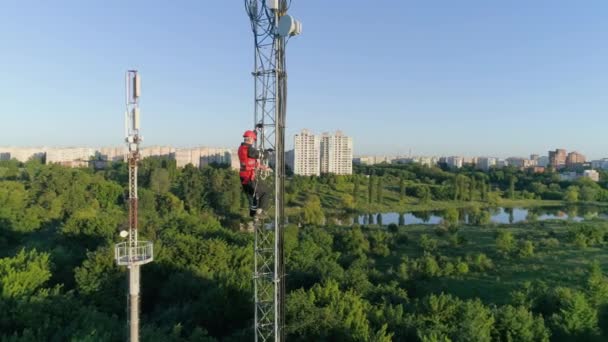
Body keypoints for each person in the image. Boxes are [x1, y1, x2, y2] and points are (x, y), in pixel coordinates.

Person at [238, 130, 270, 218]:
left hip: (244, 177)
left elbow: (251, 162)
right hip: (249, 177)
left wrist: (263, 167)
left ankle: (253, 214)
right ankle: (261, 213)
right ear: (250, 139)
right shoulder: (247, 149)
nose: (253, 142)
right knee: (264, 192)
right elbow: (258, 154)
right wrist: (266, 153)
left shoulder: (242, 148)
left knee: (253, 197)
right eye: (253, 140)